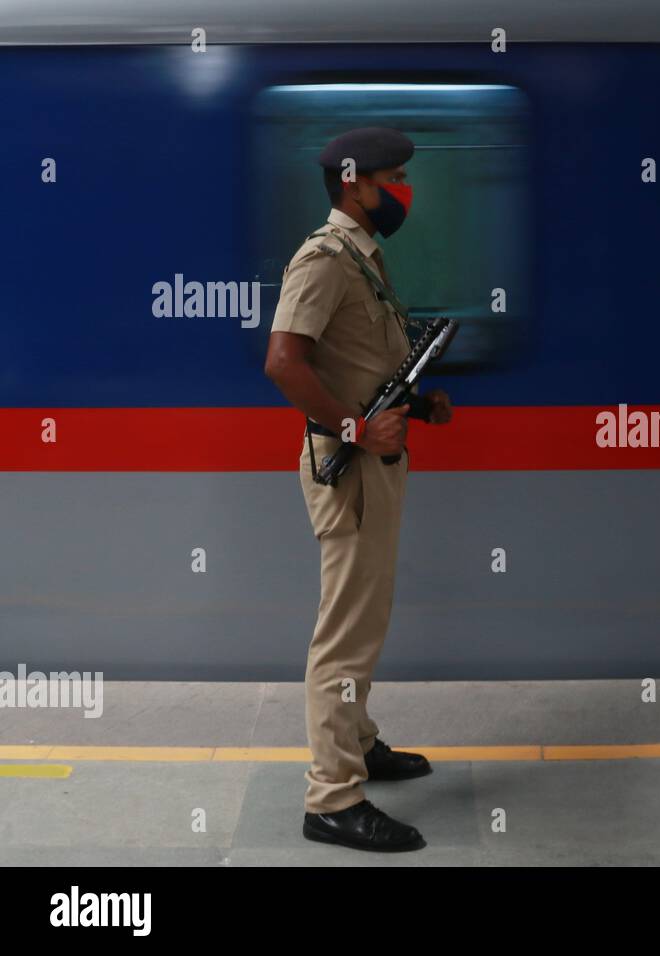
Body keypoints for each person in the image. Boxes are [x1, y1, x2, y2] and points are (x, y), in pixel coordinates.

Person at [263, 126, 452, 852]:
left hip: (374, 468)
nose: (403, 190)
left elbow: (361, 364)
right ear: (353, 183)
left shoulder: (364, 259)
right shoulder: (324, 260)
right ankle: (333, 798)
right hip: (352, 475)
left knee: (365, 618)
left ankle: (360, 741)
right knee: (344, 634)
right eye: (392, 178)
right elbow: (284, 362)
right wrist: (355, 430)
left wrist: (417, 407)